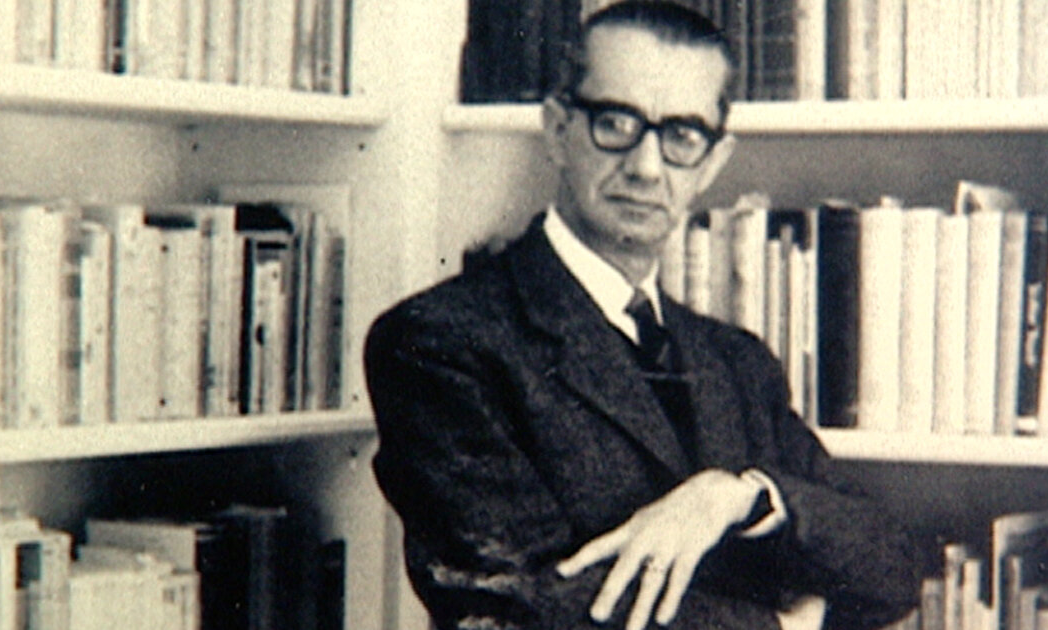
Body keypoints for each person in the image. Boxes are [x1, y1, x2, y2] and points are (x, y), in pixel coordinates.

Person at [365, 3, 921, 629]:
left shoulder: (738, 362)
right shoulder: (438, 341)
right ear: (557, 129)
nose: (646, 167)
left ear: (713, 161)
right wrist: (784, 627)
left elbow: (894, 570)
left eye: (682, 136)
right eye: (616, 123)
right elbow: (519, 603)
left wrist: (742, 498)